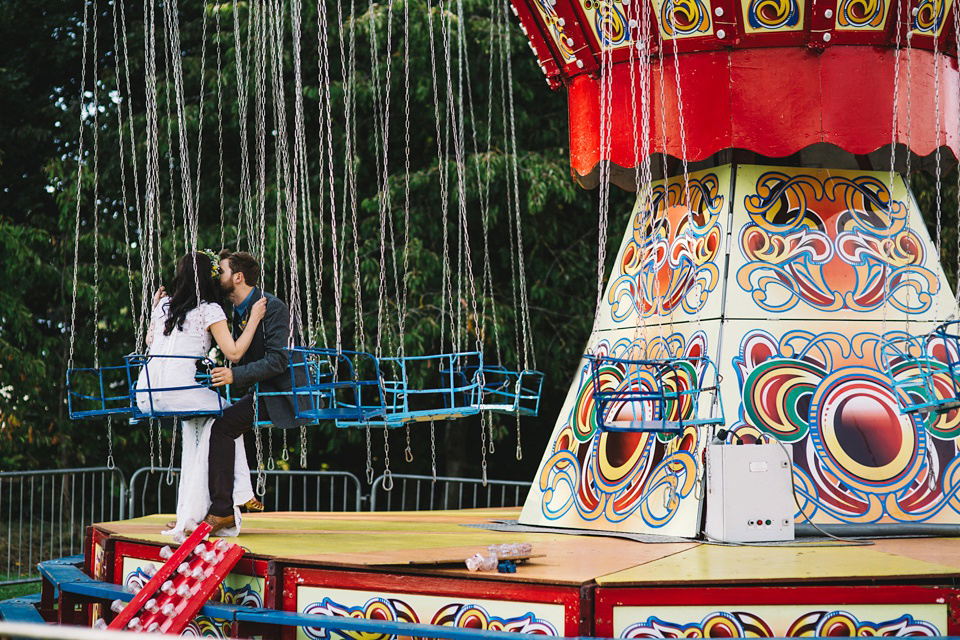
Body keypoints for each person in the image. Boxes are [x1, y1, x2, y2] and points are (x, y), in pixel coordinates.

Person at [138, 250, 267, 537]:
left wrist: (153, 308)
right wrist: (255, 318)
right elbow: (233, 353)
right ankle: (241, 492)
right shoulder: (210, 309)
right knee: (229, 419)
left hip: (146, 391)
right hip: (178, 392)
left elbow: (150, 341)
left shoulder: (164, 305)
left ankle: (190, 512)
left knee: (200, 434)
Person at [204, 250, 308, 535]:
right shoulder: (233, 311)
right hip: (260, 390)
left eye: (221, 271)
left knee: (223, 427)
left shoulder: (272, 307)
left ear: (238, 277)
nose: (216, 277)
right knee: (217, 423)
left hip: (281, 392)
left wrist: (234, 375)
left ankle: (222, 510)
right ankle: (228, 501)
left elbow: (278, 360)